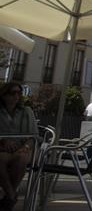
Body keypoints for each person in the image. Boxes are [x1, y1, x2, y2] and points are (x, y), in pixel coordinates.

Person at [0, 82, 37, 211]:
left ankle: (8, 196)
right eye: (12, 93)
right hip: (4, 149)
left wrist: (26, 146)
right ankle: (11, 195)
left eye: (18, 93)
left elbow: (34, 136)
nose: (16, 96)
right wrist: (3, 142)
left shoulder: (27, 112)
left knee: (20, 159)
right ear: (4, 95)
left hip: (23, 148)